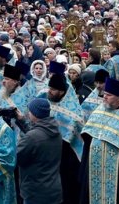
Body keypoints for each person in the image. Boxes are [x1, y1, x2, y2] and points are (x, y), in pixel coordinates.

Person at [46, 72, 84, 204]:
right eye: (49, 88)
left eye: (53, 89)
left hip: (68, 156)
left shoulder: (73, 110)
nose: (49, 91)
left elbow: (72, 137)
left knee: (66, 189)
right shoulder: (48, 102)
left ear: (61, 92)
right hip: (49, 155)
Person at [17, 98, 62, 204]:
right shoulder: (57, 132)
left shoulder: (32, 137)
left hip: (35, 194)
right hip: (53, 190)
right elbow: (39, 135)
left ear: (35, 114)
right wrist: (22, 121)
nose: (28, 113)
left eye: (30, 111)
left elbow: (15, 158)